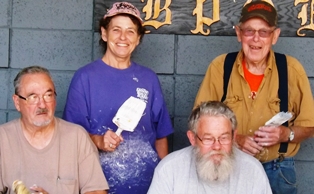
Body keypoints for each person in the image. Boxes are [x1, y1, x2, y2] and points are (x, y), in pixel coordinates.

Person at [194, 1, 314, 193]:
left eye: (264, 32)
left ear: (275, 36)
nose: (256, 39)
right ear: (238, 33)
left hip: (278, 170)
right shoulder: (220, 67)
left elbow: (310, 126)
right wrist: (235, 139)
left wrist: (286, 134)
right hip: (230, 165)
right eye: (249, 31)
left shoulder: (292, 70)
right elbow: (199, 120)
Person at [62, 2, 173, 194]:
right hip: (98, 187)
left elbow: (160, 135)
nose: (123, 37)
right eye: (116, 30)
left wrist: (164, 182)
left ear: (138, 38)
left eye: (130, 31)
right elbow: (71, 137)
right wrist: (98, 141)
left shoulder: (149, 79)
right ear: (104, 34)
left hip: (147, 187)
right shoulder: (85, 78)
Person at [0, 66, 109, 194]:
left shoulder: (77, 137)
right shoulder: (3, 138)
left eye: (48, 95)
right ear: (17, 102)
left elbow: (97, 191)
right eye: (33, 97)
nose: (42, 104)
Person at [148, 101, 272, 194]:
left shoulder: (253, 170)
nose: (217, 146)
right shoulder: (169, 168)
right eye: (208, 139)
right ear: (192, 138)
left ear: (234, 137)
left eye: (224, 138)